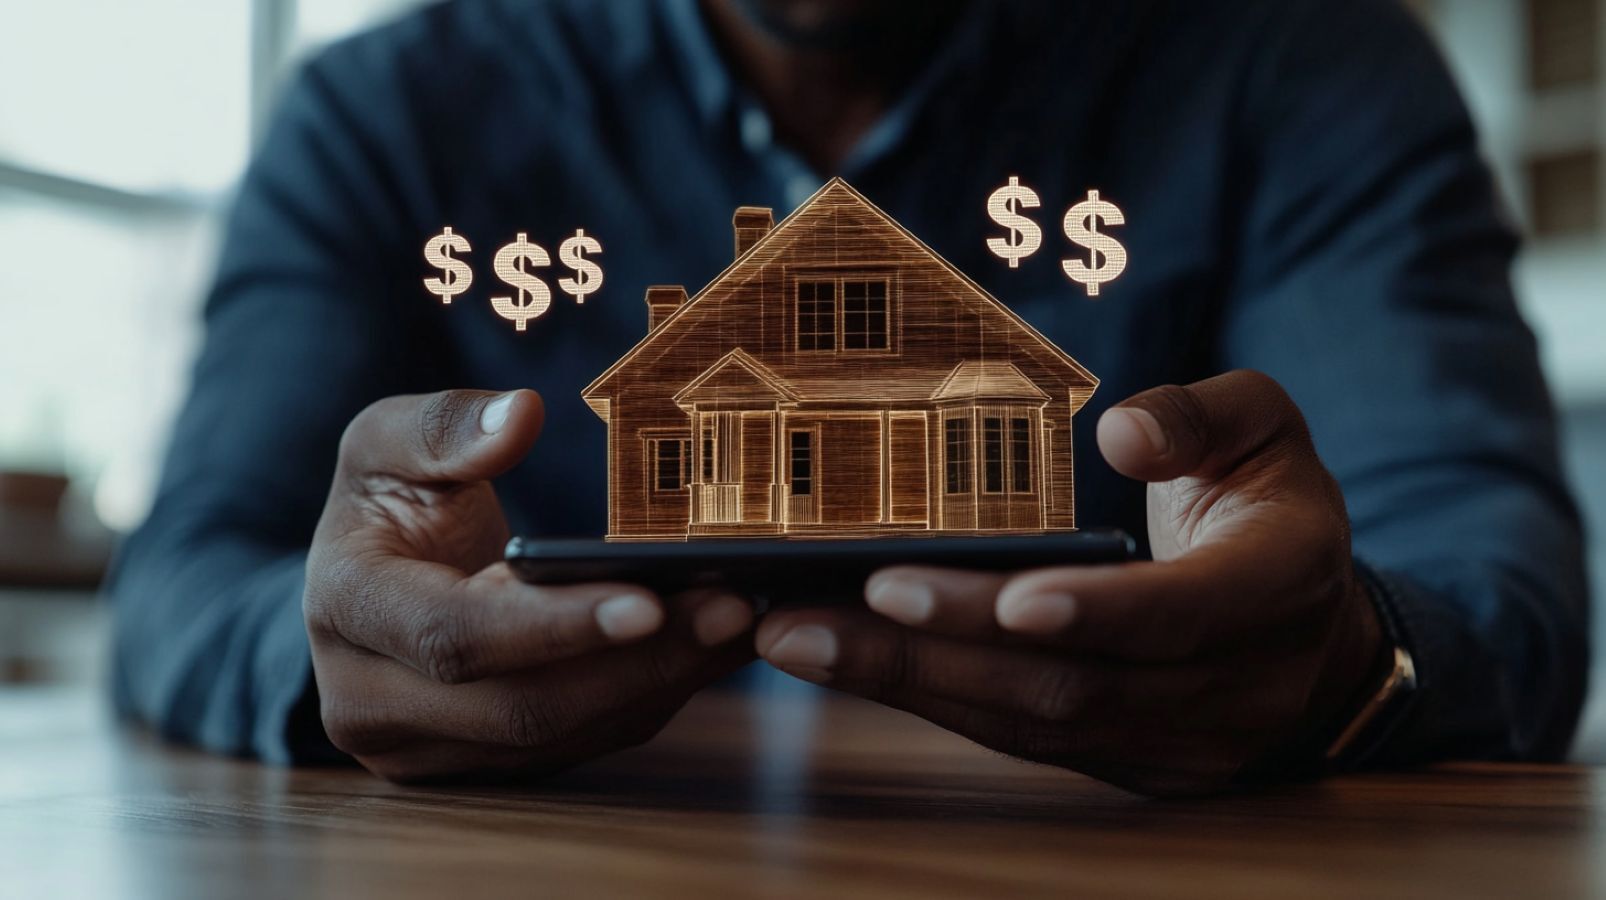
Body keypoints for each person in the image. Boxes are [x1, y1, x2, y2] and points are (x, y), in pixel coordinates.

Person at [108, 0, 1589, 795]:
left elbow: (1482, 569)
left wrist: (1344, 656)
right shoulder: (381, 113)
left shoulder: (1304, 62)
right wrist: (349, 655)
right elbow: (189, 572)